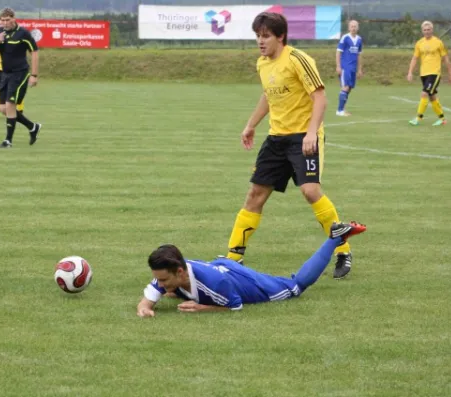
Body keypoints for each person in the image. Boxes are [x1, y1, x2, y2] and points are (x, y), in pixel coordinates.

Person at [224, 12, 354, 280]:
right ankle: (233, 259)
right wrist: (251, 125)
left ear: (280, 36)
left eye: (266, 36)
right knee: (255, 194)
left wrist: (310, 133)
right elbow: (268, 95)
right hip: (276, 138)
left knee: (310, 191)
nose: (260, 41)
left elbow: (320, 97)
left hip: (302, 137)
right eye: (257, 36)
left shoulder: (297, 59)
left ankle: (343, 250)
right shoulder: (263, 63)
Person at [137, 222, 366, 317]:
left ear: (179, 272)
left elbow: (234, 306)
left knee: (295, 286)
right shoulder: (171, 270)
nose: (159, 283)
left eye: (163, 280)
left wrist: (202, 308)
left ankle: (335, 237)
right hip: (221, 266)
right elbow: (147, 299)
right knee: (171, 291)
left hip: (241, 280)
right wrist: (145, 308)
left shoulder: (214, 285)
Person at [0, 7, 41, 147]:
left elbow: (34, 52)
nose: (5, 23)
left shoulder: (23, 33)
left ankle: (8, 140)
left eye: (8, 20)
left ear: (14, 18)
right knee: (3, 109)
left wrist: (34, 75)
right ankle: (33, 127)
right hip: (5, 73)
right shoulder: (0, 32)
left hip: (20, 73)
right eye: (3, 20)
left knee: (10, 105)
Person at [407, 21, 451, 126]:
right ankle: (442, 119)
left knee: (424, 93)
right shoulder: (419, 43)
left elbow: (446, 59)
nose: (427, 32)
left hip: (434, 73)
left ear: (432, 30)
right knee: (432, 96)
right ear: (422, 31)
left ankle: (418, 118)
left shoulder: (438, 42)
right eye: (425, 30)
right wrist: (410, 72)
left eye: (429, 30)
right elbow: (415, 58)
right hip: (423, 73)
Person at [0, 16, 25, 119]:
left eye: (3, 22)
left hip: (12, 69)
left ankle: (20, 111)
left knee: (14, 91)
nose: (2, 25)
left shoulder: (14, 36)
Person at [335, 20, 363, 117]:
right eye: (352, 26)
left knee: (349, 88)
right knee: (345, 87)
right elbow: (338, 52)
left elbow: (359, 55)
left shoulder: (359, 39)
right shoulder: (345, 38)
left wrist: (359, 69)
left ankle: (342, 109)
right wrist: (338, 66)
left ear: (358, 28)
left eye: (355, 26)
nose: (353, 28)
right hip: (345, 67)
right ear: (349, 28)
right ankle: (339, 111)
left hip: (353, 68)